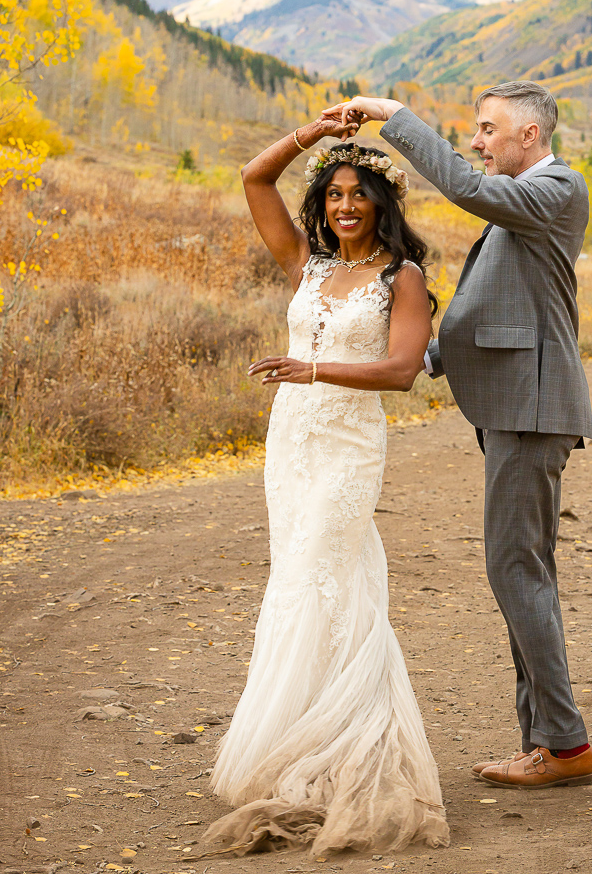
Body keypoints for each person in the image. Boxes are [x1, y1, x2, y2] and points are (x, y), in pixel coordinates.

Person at [331, 82, 592, 790]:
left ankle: (564, 745)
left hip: (530, 406)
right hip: (512, 404)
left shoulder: (556, 189)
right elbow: (496, 303)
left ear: (529, 137)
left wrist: (395, 120)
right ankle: (544, 741)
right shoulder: (523, 203)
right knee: (519, 571)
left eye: (486, 130)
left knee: (515, 571)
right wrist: (426, 356)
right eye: (475, 132)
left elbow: (464, 188)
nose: (478, 142)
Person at [200, 108, 450, 858]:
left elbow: (403, 371)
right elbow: (253, 177)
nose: (344, 207)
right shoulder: (306, 265)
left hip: (347, 444)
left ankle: (352, 742)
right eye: (333, 195)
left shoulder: (399, 278)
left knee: (327, 578)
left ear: (382, 204)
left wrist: (312, 368)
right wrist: (311, 133)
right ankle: (296, 733)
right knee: (297, 580)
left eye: (358, 196)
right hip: (292, 443)